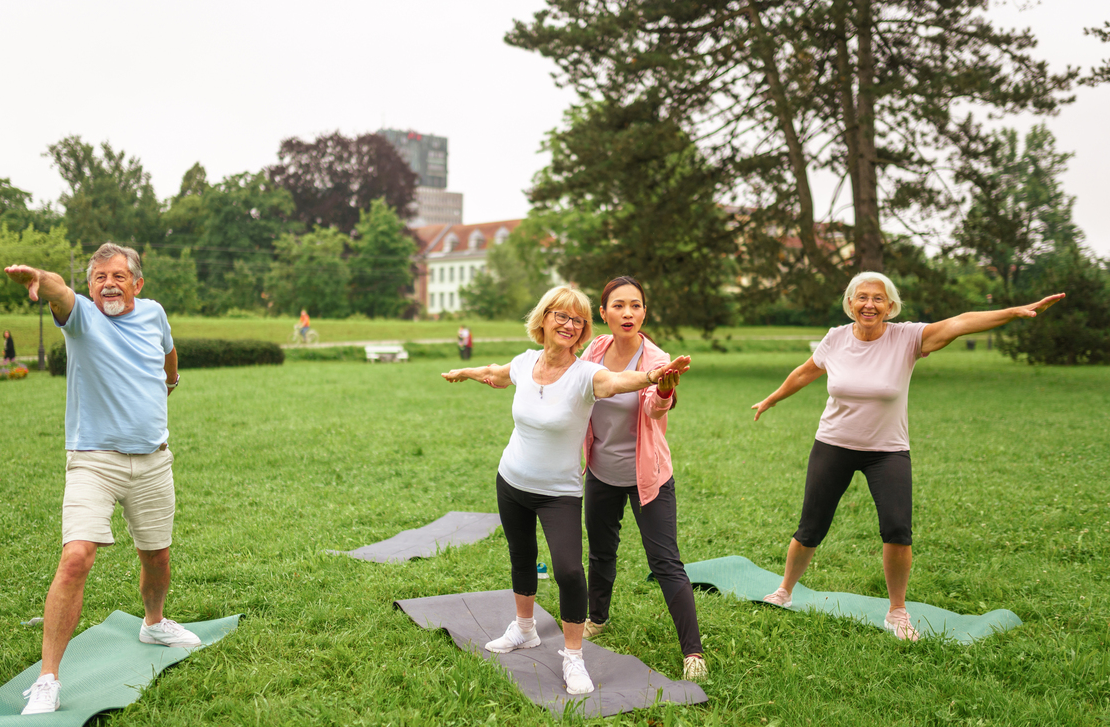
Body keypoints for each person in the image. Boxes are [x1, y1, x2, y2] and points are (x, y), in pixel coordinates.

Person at [751, 272, 1064, 640]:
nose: (870, 304)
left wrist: (1013, 311)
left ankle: (897, 612)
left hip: (887, 451)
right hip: (833, 444)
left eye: (878, 298)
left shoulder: (908, 338)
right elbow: (805, 373)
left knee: (898, 530)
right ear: (851, 303)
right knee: (811, 527)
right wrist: (771, 398)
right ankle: (785, 590)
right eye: (862, 297)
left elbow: (961, 322)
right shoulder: (835, 338)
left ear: (891, 305)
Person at [442, 286, 690, 694]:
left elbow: (617, 381)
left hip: (558, 491)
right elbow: (496, 373)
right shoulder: (525, 363)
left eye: (577, 321)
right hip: (511, 480)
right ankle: (524, 628)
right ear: (544, 319)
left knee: (570, 572)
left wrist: (651, 376)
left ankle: (573, 656)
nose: (569, 326)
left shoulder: (586, 375)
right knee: (521, 557)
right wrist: (465, 373)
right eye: (561, 316)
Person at [4, 243, 201, 715]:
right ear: (89, 286)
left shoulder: (153, 313)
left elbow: (169, 353)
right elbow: (58, 290)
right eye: (98, 278)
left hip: (153, 460)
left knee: (157, 556)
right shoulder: (83, 317)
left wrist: (169, 381)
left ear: (137, 282)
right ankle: (48, 678)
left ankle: (153, 623)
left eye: (117, 276)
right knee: (76, 556)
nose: (108, 284)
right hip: (94, 460)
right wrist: (42, 279)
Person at [579, 276, 707, 681]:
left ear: (644, 312)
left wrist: (666, 391)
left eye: (635, 305)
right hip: (601, 471)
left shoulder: (656, 358)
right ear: (604, 314)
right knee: (601, 553)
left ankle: (694, 654)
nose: (627, 313)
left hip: (647, 475)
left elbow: (654, 407)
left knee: (665, 561)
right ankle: (596, 619)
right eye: (618, 305)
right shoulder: (595, 349)